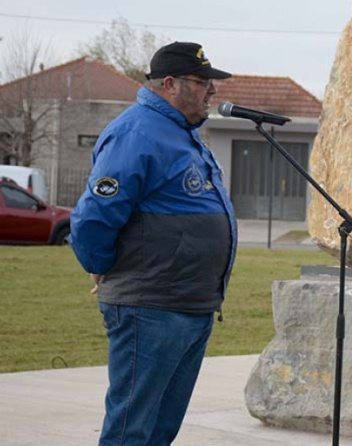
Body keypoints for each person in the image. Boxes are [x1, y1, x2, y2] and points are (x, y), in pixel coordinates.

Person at [69, 41, 237, 445]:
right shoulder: (137, 132)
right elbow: (94, 216)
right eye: (202, 82)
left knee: (161, 428)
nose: (212, 91)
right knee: (132, 427)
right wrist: (100, 263)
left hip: (191, 304)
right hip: (150, 306)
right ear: (170, 84)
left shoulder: (184, 135)